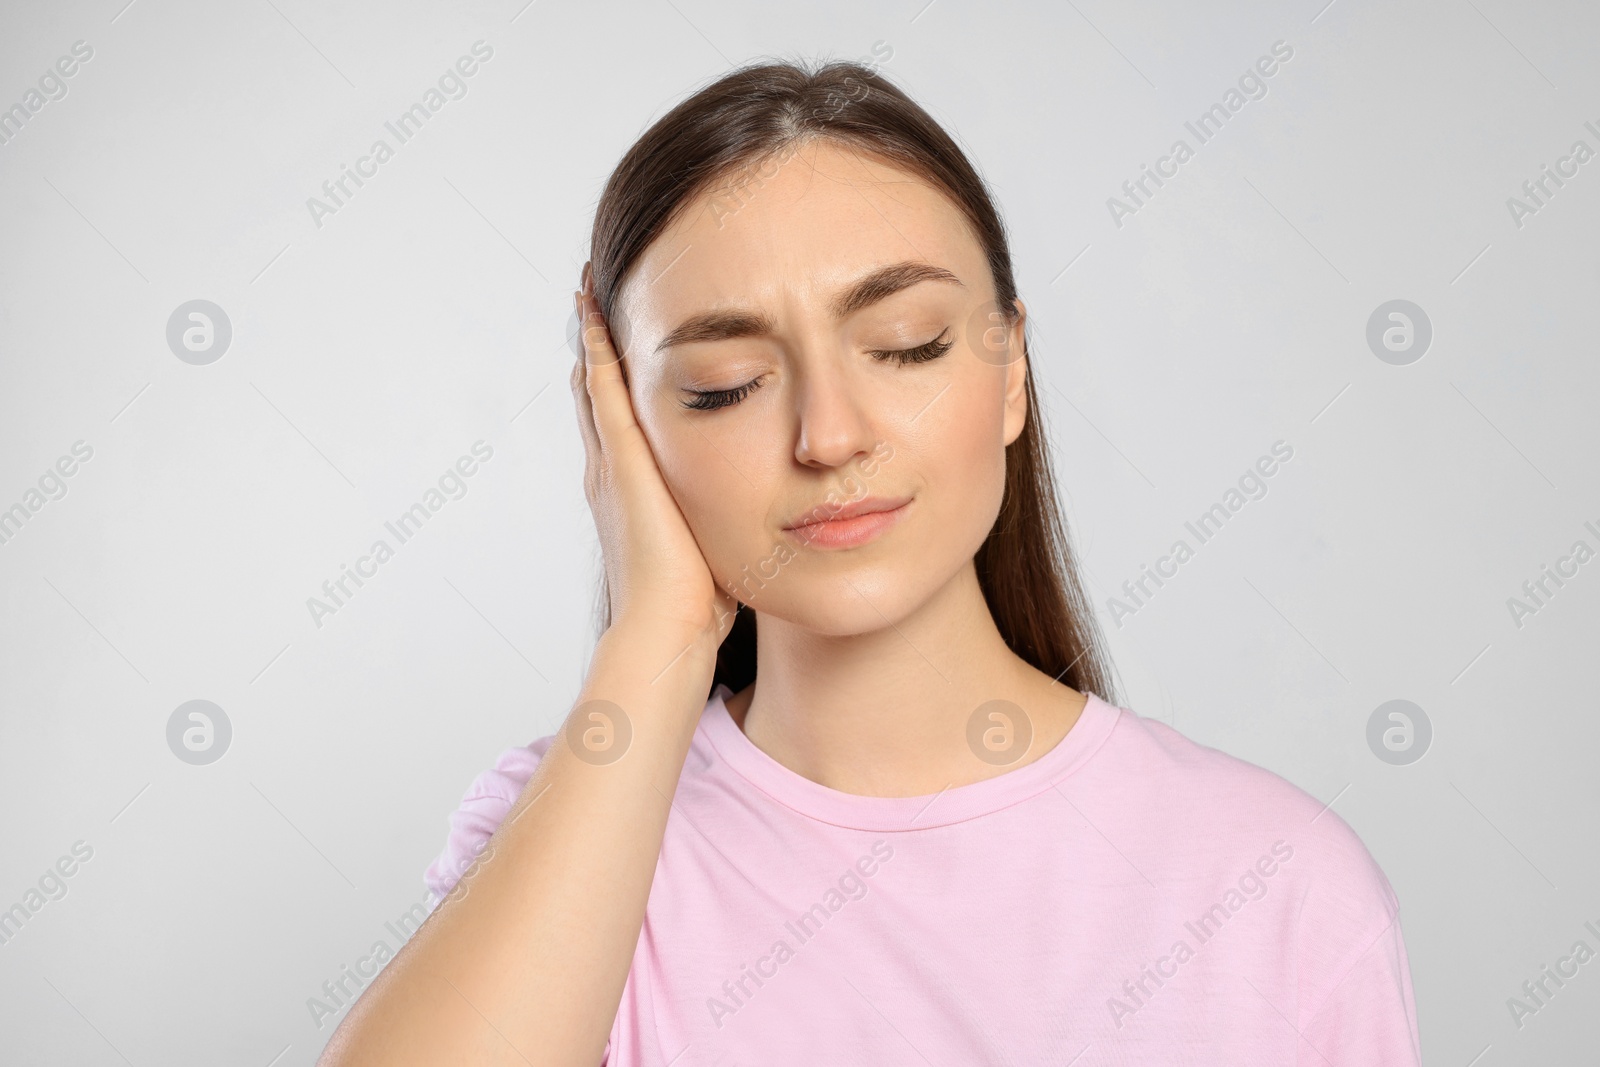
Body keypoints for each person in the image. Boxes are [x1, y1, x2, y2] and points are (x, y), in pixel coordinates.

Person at [318, 60, 1421, 1066]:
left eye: (906, 345)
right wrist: (654, 635)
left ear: (1010, 375)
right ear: (623, 435)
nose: (829, 435)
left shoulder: (1273, 883)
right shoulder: (565, 823)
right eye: (724, 383)